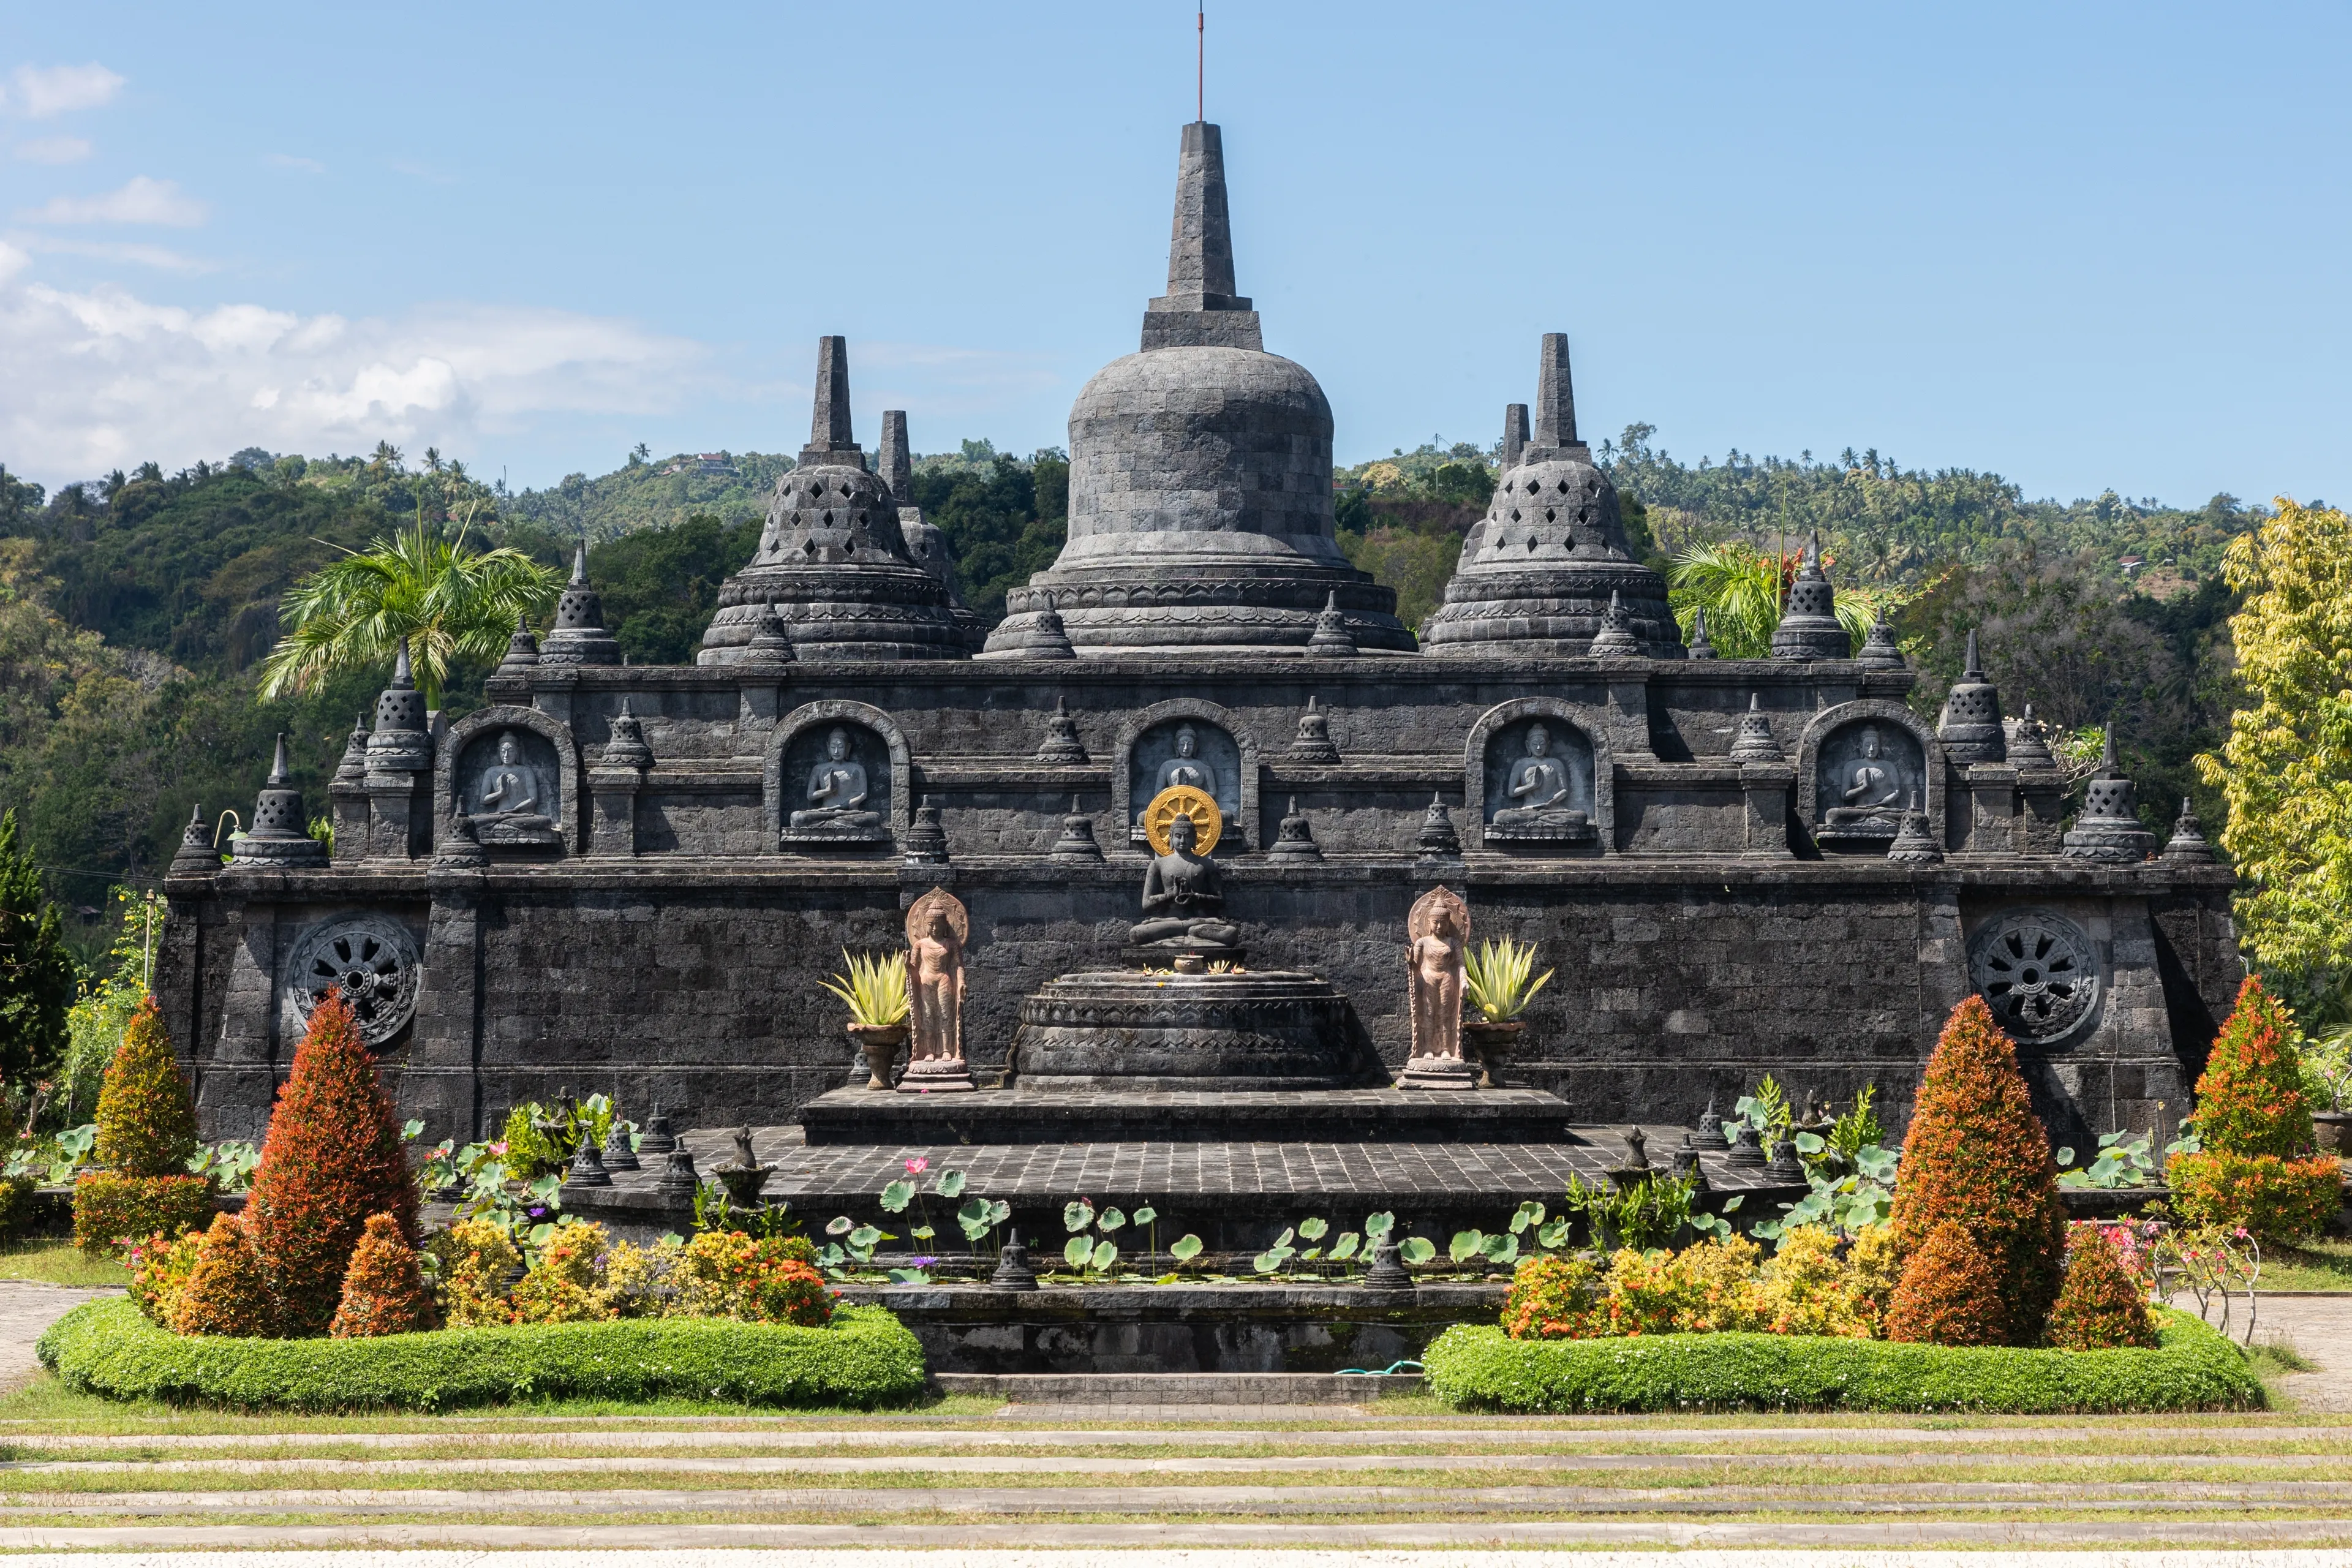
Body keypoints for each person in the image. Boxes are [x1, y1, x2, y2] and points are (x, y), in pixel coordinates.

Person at [1130, 813, 1241, 948]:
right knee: (1136, 933)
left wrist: (1197, 897)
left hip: (1199, 920)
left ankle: (1181, 929)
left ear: (1195, 838)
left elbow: (1221, 901)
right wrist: (1171, 896)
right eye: (1178, 836)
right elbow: (1146, 904)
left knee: (1230, 933)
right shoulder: (1158, 864)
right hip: (1170, 920)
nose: (1183, 841)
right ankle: (1188, 927)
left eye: (1188, 836)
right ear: (1170, 837)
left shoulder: (1208, 865)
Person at [790, 727, 881, 830]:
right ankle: (835, 824)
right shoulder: (818, 769)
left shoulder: (858, 769)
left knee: (874, 818)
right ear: (828, 747)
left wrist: (842, 807)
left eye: (840, 747)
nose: (836, 751)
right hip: (824, 812)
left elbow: (863, 795)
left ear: (848, 748)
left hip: (848, 814)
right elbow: (810, 796)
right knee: (797, 817)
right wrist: (828, 790)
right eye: (833, 747)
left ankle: (828, 825)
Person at [1491, 723, 1578, 827]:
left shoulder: (1556, 763)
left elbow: (1564, 791)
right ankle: (1539, 821)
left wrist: (1549, 803)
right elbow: (1512, 792)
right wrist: (1532, 786)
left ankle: (1536, 822)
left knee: (1579, 817)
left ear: (1548, 745)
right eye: (1534, 744)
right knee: (1500, 816)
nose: (1538, 747)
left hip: (1552, 811)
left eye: (1542, 744)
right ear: (1528, 745)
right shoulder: (1520, 764)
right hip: (1528, 810)